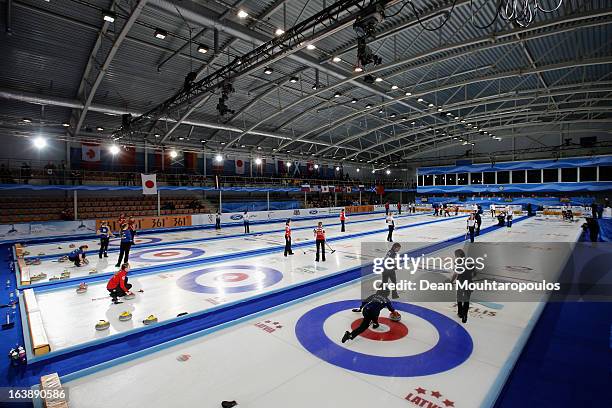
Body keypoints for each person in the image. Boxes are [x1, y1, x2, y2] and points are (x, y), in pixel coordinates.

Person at [450, 249, 473, 323]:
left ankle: (460, 313)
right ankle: (464, 314)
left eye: (456, 256)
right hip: (469, 282)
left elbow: (456, 273)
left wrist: (451, 281)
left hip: (461, 282)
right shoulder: (470, 261)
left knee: (459, 297)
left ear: (458, 256)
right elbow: (474, 273)